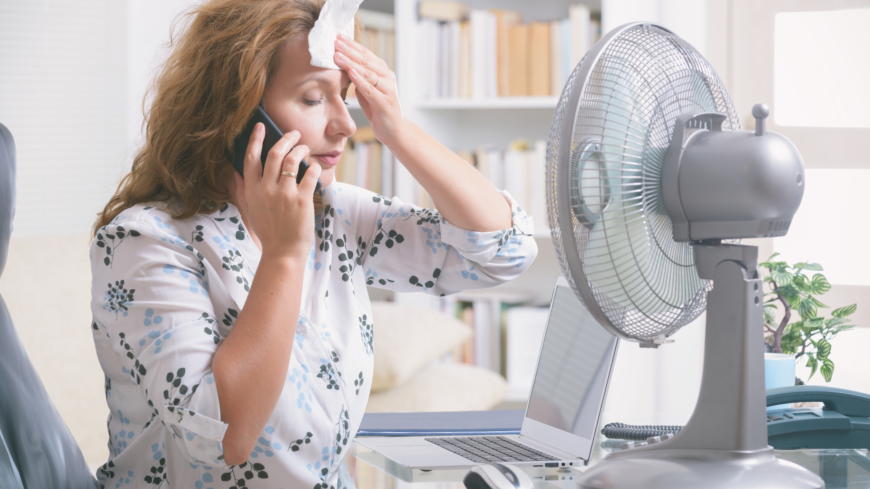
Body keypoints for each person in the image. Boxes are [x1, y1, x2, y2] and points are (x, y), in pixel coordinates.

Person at [89, 0, 537, 487]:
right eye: (311, 98)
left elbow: (503, 252)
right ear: (236, 117)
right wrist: (284, 254)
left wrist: (398, 131)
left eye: (345, 96)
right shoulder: (144, 242)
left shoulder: (334, 213)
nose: (346, 125)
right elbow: (219, 442)